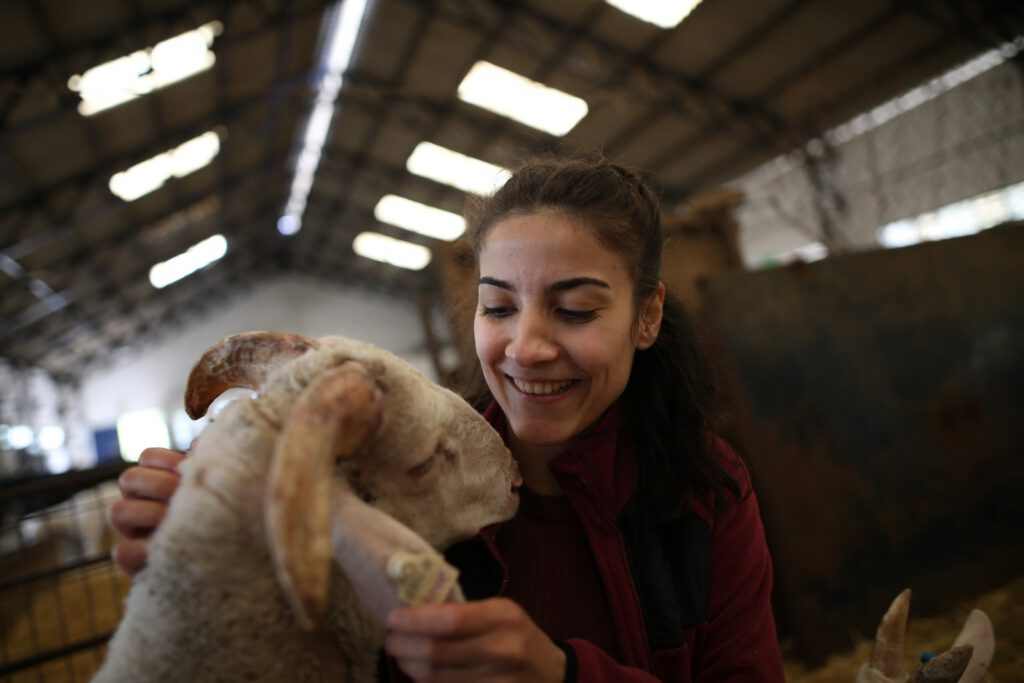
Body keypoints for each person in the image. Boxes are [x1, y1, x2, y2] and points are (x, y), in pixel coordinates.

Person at [109, 153, 785, 682]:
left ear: (647, 316)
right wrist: (198, 554)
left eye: (575, 308)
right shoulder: (393, 476)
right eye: (499, 307)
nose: (526, 346)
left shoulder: (704, 487)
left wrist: (562, 675)